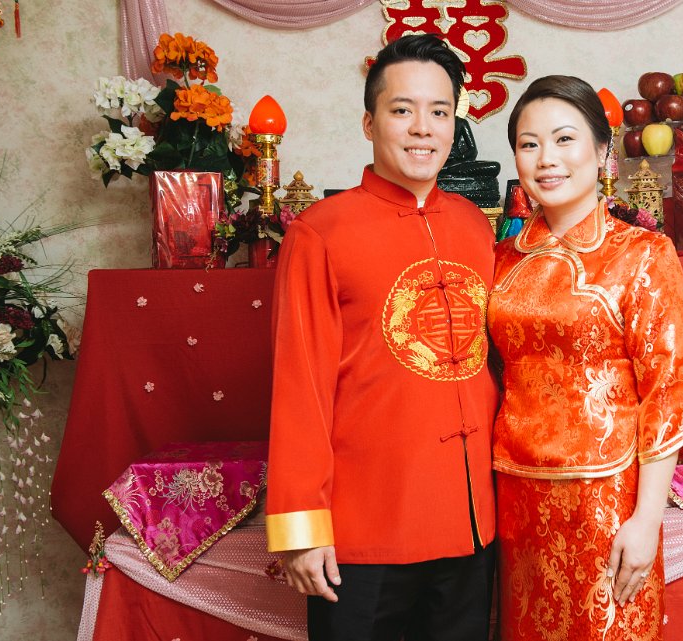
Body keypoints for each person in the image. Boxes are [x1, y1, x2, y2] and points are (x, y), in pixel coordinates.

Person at [265, 33, 498, 641]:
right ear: (369, 122)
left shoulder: (475, 226)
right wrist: (301, 527)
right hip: (363, 533)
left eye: (439, 112)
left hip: (472, 525)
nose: (423, 128)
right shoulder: (319, 232)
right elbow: (299, 386)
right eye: (402, 110)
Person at [487, 75, 683, 640]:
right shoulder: (500, 258)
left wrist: (646, 519)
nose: (546, 159)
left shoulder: (643, 254)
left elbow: (668, 393)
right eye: (529, 144)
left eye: (564, 140)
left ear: (603, 150)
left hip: (607, 495)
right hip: (516, 492)